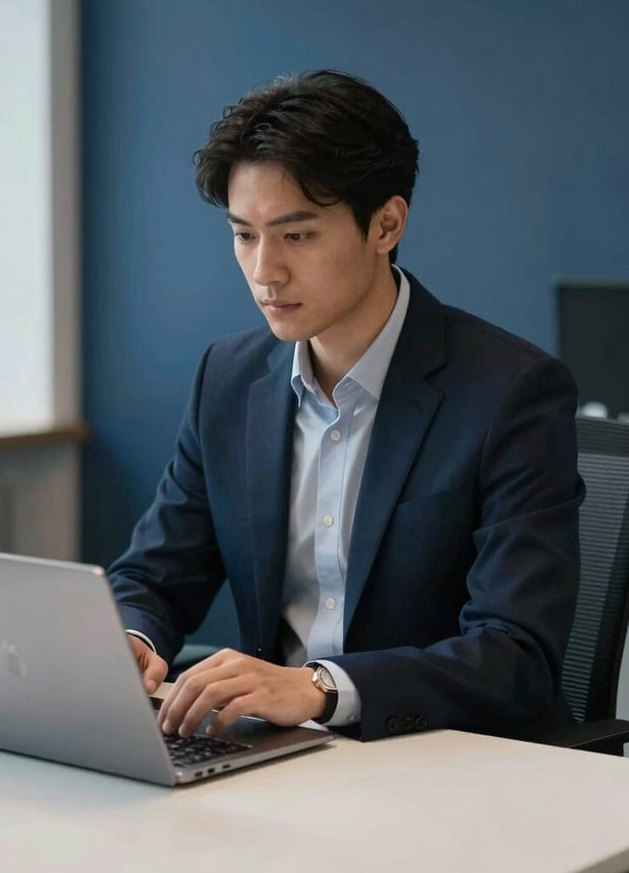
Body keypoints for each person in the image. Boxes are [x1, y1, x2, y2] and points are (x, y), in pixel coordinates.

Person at [108, 69, 582, 744]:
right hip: (284, 759)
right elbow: (155, 573)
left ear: (386, 224)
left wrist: (320, 687)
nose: (265, 270)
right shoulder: (229, 378)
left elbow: (515, 654)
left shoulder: (512, 393)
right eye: (245, 235)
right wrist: (135, 637)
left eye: (297, 236)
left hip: (451, 765)